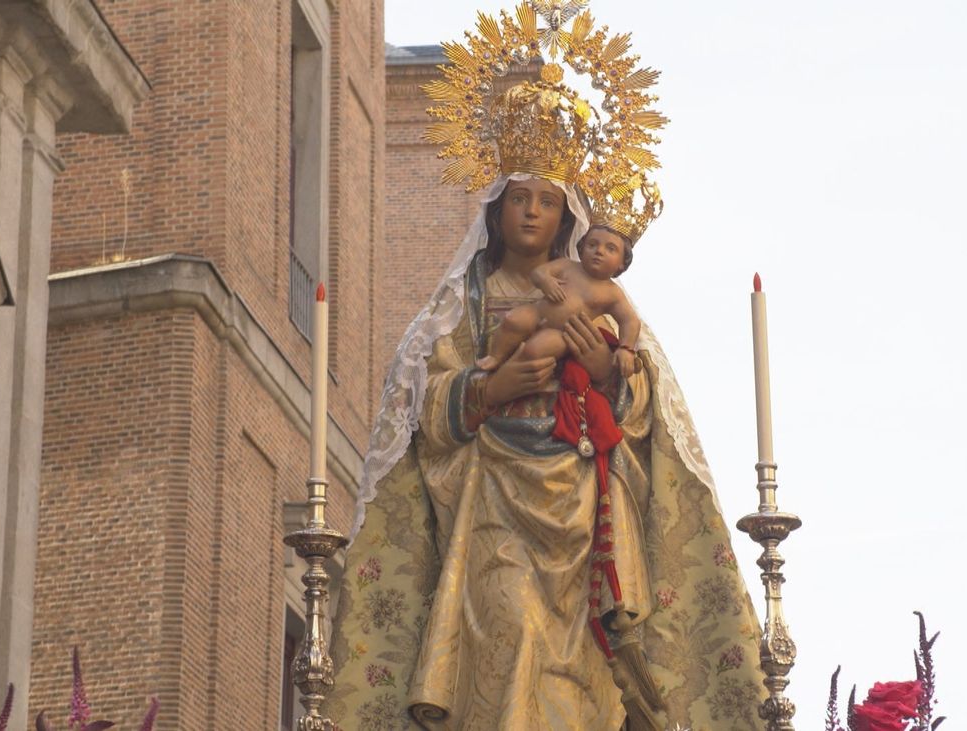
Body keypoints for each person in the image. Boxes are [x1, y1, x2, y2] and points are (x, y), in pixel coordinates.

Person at [325, 18, 766, 731]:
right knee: (515, 634)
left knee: (577, 680)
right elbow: (421, 406)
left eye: (548, 201)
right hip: (496, 501)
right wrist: (490, 388)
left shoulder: (597, 295)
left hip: (584, 509)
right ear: (495, 205)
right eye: (520, 197)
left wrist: (610, 372)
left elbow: (645, 400)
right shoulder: (459, 304)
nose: (532, 212)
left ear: (569, 216)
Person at [475, 224, 641, 378]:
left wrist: (626, 349)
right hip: (537, 312)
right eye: (592, 245)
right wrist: (546, 281)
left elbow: (630, 320)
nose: (599, 251)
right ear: (581, 249)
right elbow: (538, 273)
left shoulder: (612, 294)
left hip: (562, 332)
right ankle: (495, 357)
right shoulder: (567, 266)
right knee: (512, 320)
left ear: (621, 263)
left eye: (610, 249)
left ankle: (516, 375)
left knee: (535, 350)